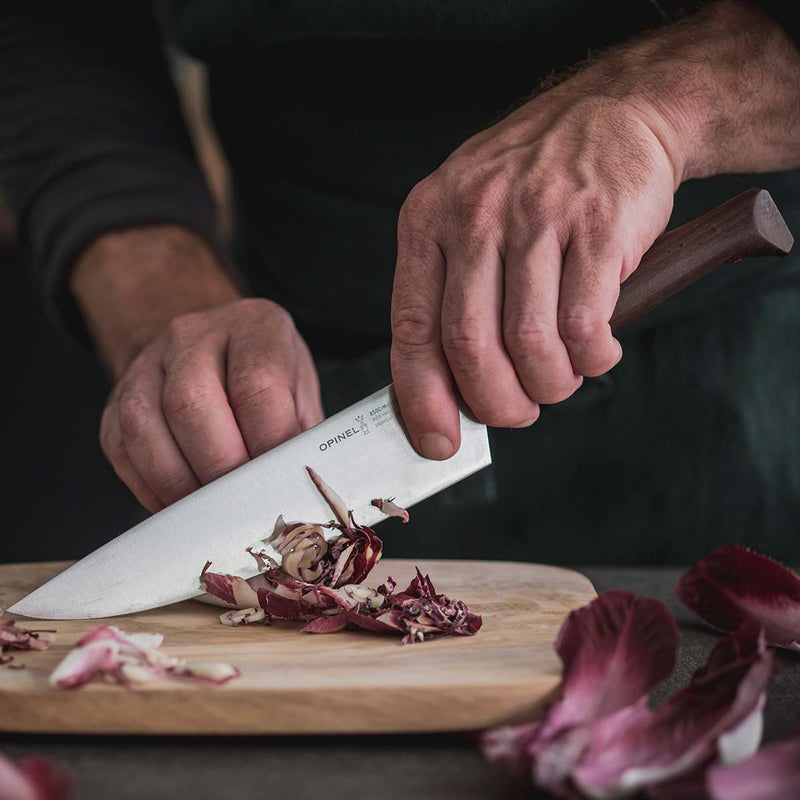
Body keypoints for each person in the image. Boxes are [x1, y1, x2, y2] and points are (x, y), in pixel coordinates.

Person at [1, 1, 798, 564]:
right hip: (312, 361)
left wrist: (662, 111)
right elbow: (54, 22)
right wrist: (158, 291)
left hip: (747, 381)